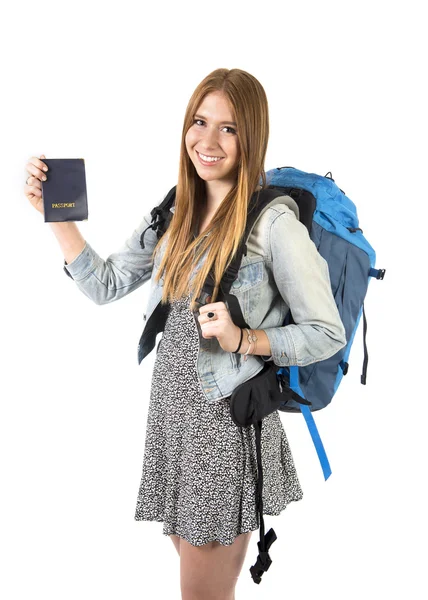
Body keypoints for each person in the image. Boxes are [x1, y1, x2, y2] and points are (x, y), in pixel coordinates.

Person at [24, 68, 346, 599]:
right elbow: (105, 284)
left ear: (252, 137)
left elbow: (326, 331)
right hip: (173, 421)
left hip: (223, 427)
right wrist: (55, 216)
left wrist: (244, 338)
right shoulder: (177, 208)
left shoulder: (274, 225)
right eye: (200, 121)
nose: (208, 140)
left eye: (230, 128)